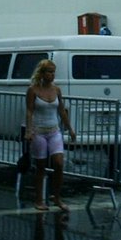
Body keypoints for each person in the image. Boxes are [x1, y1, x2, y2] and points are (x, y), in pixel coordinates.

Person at [24, 59, 76, 212]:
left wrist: (70, 129)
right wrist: (29, 130)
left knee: (59, 163)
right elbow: (29, 111)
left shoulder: (57, 90)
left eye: (53, 72)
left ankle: (57, 197)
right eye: (49, 72)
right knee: (41, 166)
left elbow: (61, 111)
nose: (52, 75)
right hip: (39, 131)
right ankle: (39, 199)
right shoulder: (33, 90)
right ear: (42, 73)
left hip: (54, 130)